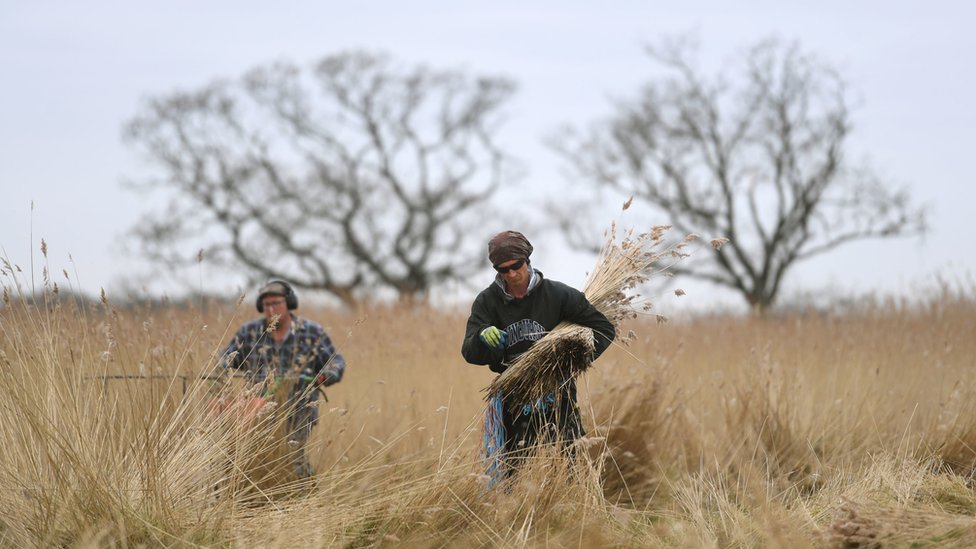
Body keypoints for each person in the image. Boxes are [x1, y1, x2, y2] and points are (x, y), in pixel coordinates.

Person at [461, 231, 615, 481]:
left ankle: (573, 511)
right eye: (502, 270)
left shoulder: (559, 295)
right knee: (514, 471)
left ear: (527, 260)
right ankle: (514, 514)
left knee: (571, 464)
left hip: (559, 394)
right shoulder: (487, 302)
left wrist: (573, 361)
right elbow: (469, 352)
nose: (511, 274)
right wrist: (481, 336)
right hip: (514, 396)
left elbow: (604, 329)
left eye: (516, 266)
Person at [219, 280, 346, 479]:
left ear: (289, 303)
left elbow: (336, 362)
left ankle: (306, 498)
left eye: (276, 303)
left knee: (293, 458)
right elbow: (225, 359)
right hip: (257, 411)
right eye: (267, 305)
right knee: (255, 460)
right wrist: (221, 376)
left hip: (300, 408)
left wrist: (322, 377)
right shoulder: (249, 332)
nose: (271, 309)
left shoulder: (311, 332)